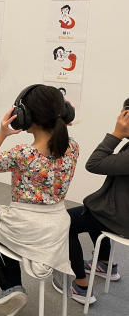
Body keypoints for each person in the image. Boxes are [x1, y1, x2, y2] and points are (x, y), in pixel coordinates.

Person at [0, 84, 77, 316]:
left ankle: (11, 286)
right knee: (4, 221)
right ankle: (14, 282)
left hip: (27, 226)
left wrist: (2, 133)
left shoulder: (23, 154)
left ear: (25, 117)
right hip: (57, 225)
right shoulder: (73, 147)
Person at [52, 99, 129, 305]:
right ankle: (105, 264)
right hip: (119, 210)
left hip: (122, 218)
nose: (120, 118)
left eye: (123, 114)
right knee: (92, 208)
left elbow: (94, 164)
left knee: (64, 223)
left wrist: (116, 134)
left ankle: (81, 286)